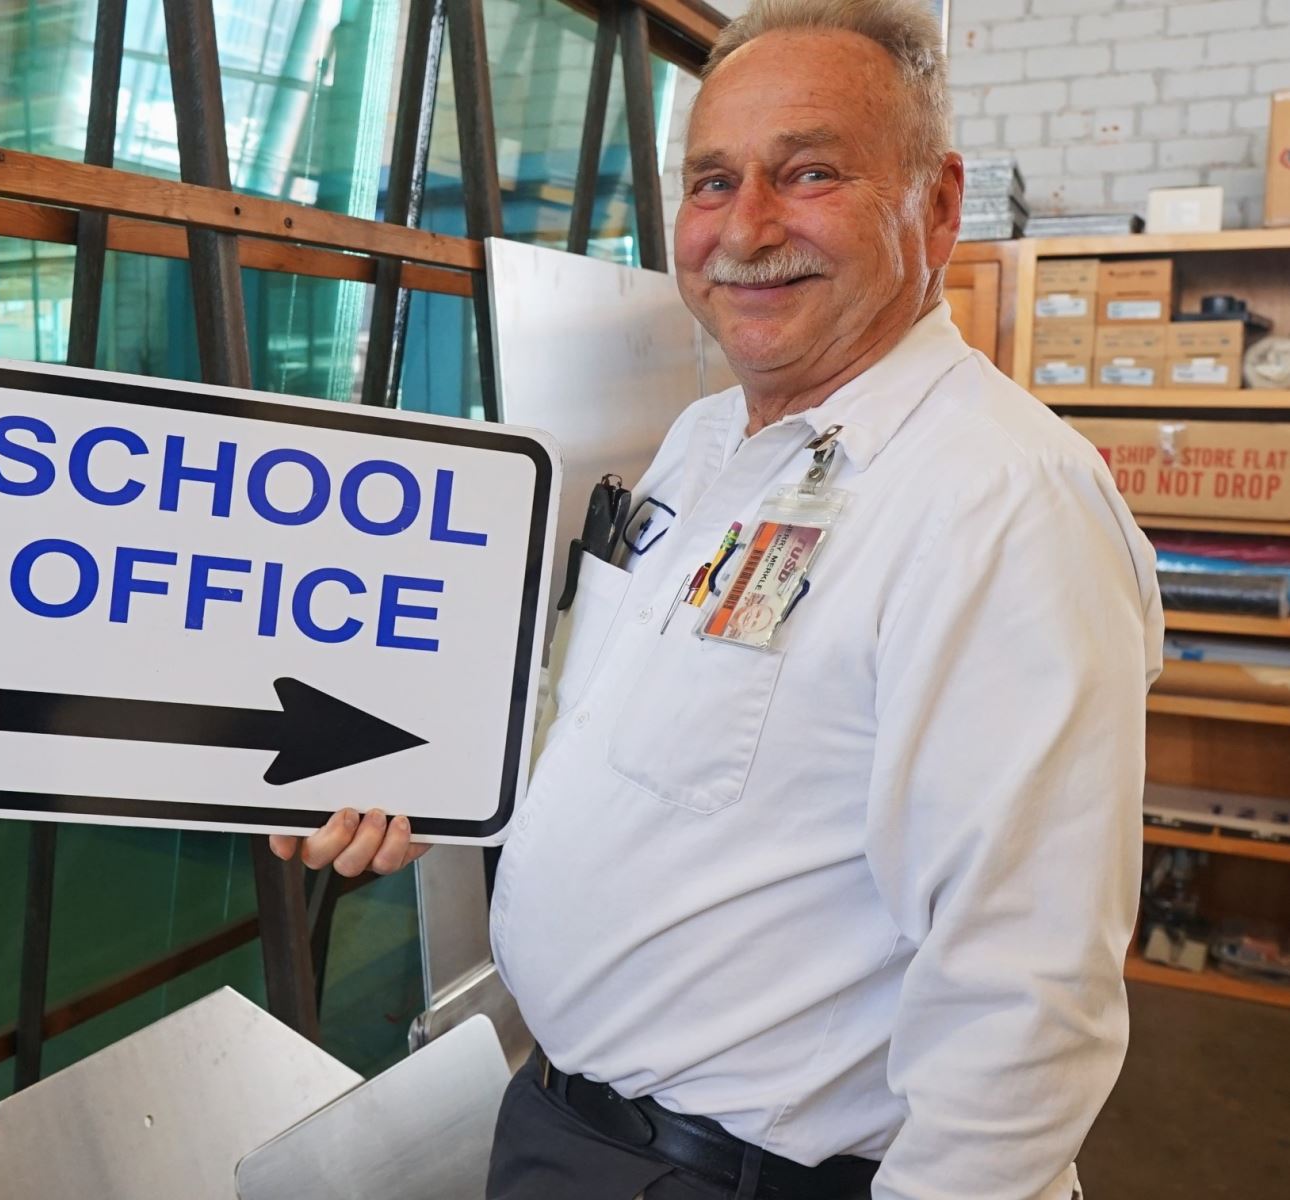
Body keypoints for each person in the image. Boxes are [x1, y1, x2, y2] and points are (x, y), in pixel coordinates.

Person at [272, 1, 1163, 1196]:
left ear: (936, 207)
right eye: (709, 182)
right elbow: (643, 746)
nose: (744, 228)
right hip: (564, 1123)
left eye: (808, 173)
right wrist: (434, 778)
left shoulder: (999, 505)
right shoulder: (704, 443)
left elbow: (1026, 990)